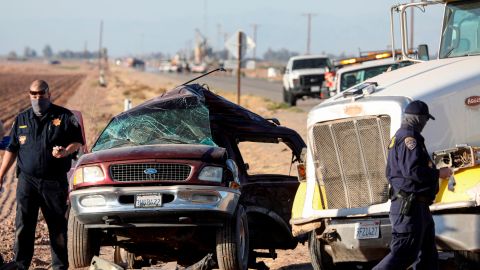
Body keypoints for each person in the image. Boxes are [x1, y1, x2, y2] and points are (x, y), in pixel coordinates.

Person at [0, 80, 84, 270]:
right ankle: (20, 265)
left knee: (57, 226)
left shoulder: (64, 116)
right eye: (34, 94)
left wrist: (65, 151)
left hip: (54, 181)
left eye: (41, 94)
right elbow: (12, 148)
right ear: (29, 95)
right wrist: (1, 174)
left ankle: (59, 266)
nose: (38, 98)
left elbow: (77, 142)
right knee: (23, 225)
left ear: (49, 94)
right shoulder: (21, 119)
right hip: (27, 181)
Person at [373, 100, 452, 270]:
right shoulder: (409, 138)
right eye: (425, 120)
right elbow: (412, 171)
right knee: (404, 253)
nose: (425, 124)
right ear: (418, 119)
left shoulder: (402, 136)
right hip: (409, 207)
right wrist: (439, 173)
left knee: (428, 257)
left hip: (419, 206)